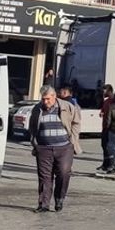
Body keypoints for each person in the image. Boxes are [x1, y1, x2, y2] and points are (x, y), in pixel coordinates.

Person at [29, 85, 81, 213]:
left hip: (64, 148)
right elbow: (32, 126)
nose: (45, 102)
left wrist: (73, 140)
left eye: (47, 99)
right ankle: (43, 204)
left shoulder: (66, 106)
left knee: (64, 173)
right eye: (43, 99)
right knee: (44, 177)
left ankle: (59, 198)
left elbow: (76, 122)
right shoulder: (37, 109)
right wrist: (35, 142)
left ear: (54, 96)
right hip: (44, 148)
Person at [96, 83, 114, 172]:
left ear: (109, 91)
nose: (103, 92)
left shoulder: (114, 101)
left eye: (105, 90)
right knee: (103, 145)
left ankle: (110, 164)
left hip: (111, 127)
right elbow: (102, 110)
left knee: (109, 147)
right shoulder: (106, 101)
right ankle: (105, 163)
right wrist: (101, 113)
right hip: (104, 126)